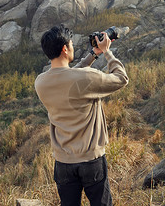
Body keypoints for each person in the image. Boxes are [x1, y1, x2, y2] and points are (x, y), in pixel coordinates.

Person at [35, 24, 128, 206]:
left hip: (63, 163)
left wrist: (93, 54)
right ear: (64, 49)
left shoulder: (41, 82)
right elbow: (121, 78)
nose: (72, 47)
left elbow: (69, 75)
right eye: (71, 44)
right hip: (91, 160)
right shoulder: (86, 78)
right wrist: (106, 52)